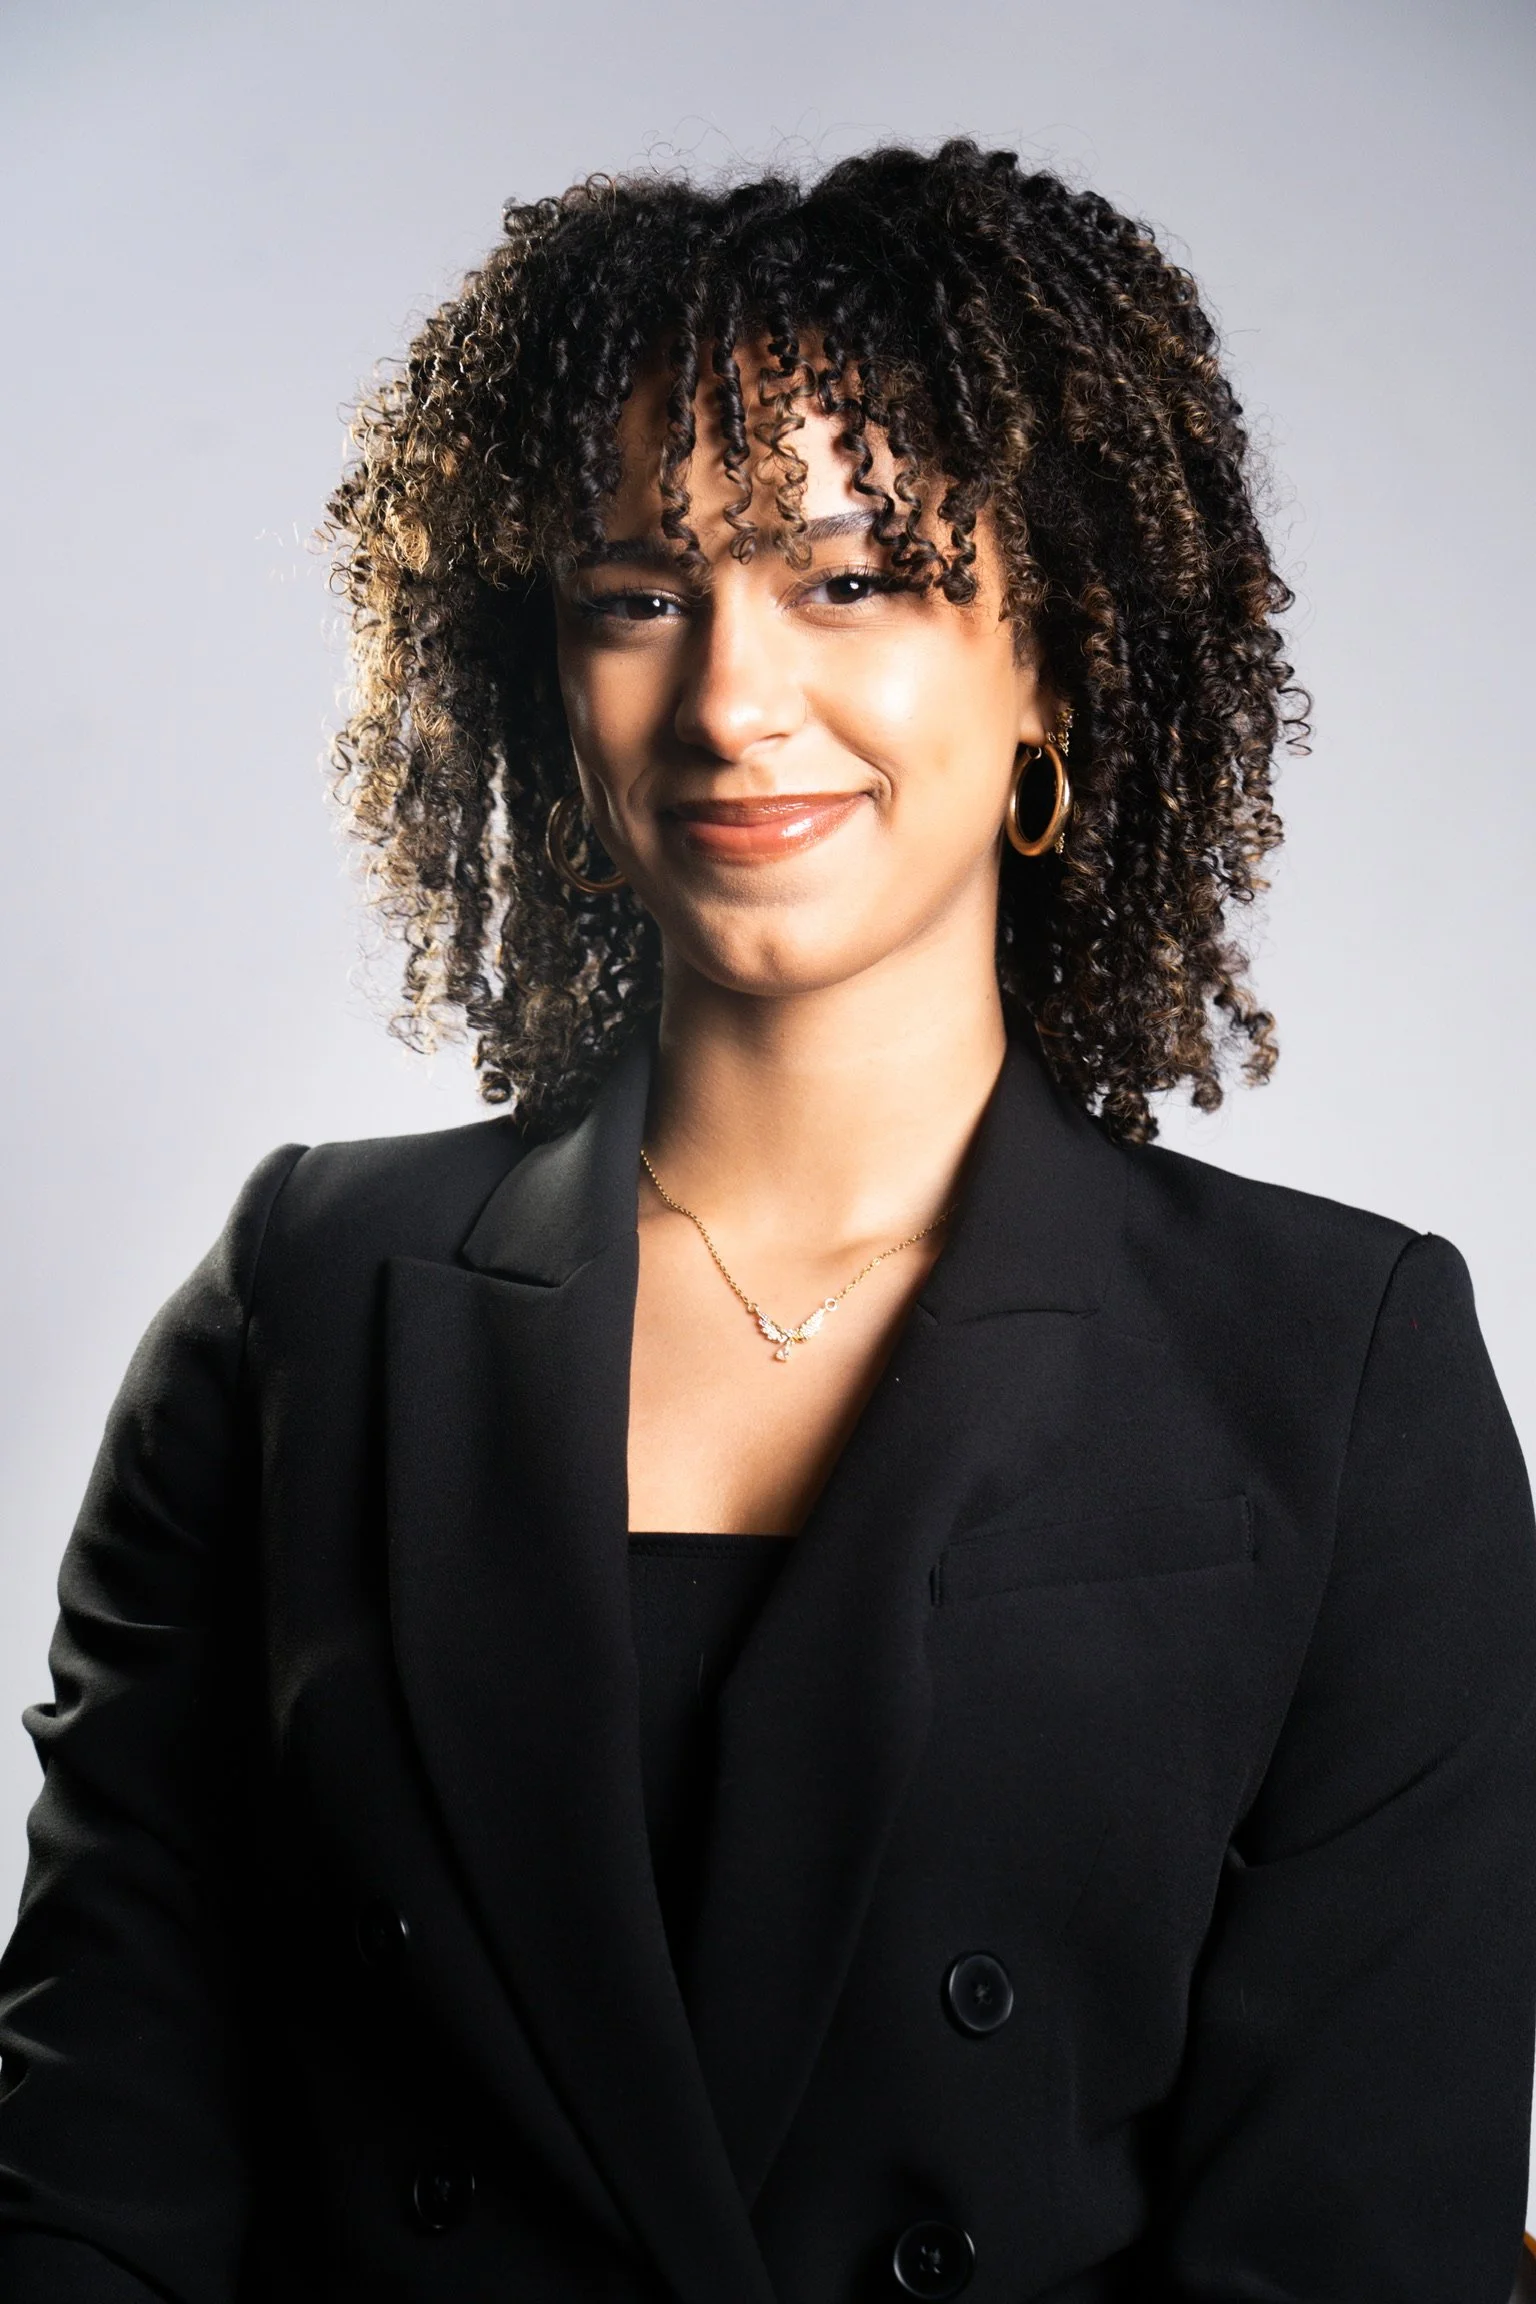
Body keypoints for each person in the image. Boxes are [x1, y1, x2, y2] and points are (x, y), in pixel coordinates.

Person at [0, 137, 1531, 2304]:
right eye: (640, 592)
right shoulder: (305, 1308)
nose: (729, 699)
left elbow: (1362, 2242)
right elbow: (100, 2179)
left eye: (854, 579)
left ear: (1055, 672)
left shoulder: (1339, 1367)